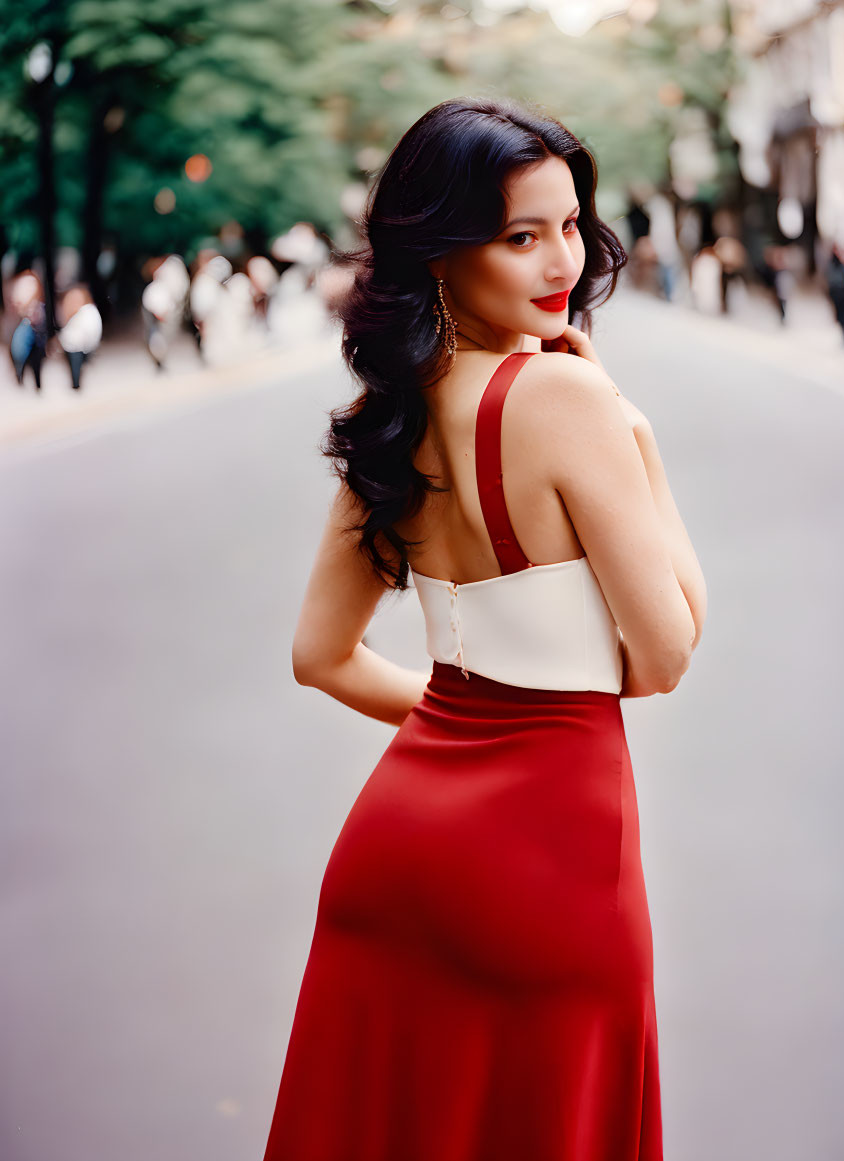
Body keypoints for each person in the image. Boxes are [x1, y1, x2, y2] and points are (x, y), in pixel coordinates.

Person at [262, 96, 706, 1161]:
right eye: (520, 236)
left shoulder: (396, 412)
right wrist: (637, 438)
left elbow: (319, 655)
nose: (561, 261)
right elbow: (665, 655)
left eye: (569, 226)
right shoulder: (568, 397)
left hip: (397, 850)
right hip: (551, 868)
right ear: (444, 256)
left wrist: (464, 726)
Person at [56, 284, 103, 389]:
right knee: (73, 368)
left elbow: (93, 330)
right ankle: (75, 385)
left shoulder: (87, 312)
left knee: (76, 369)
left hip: (79, 346)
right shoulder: (75, 314)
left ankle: (76, 386)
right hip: (71, 345)